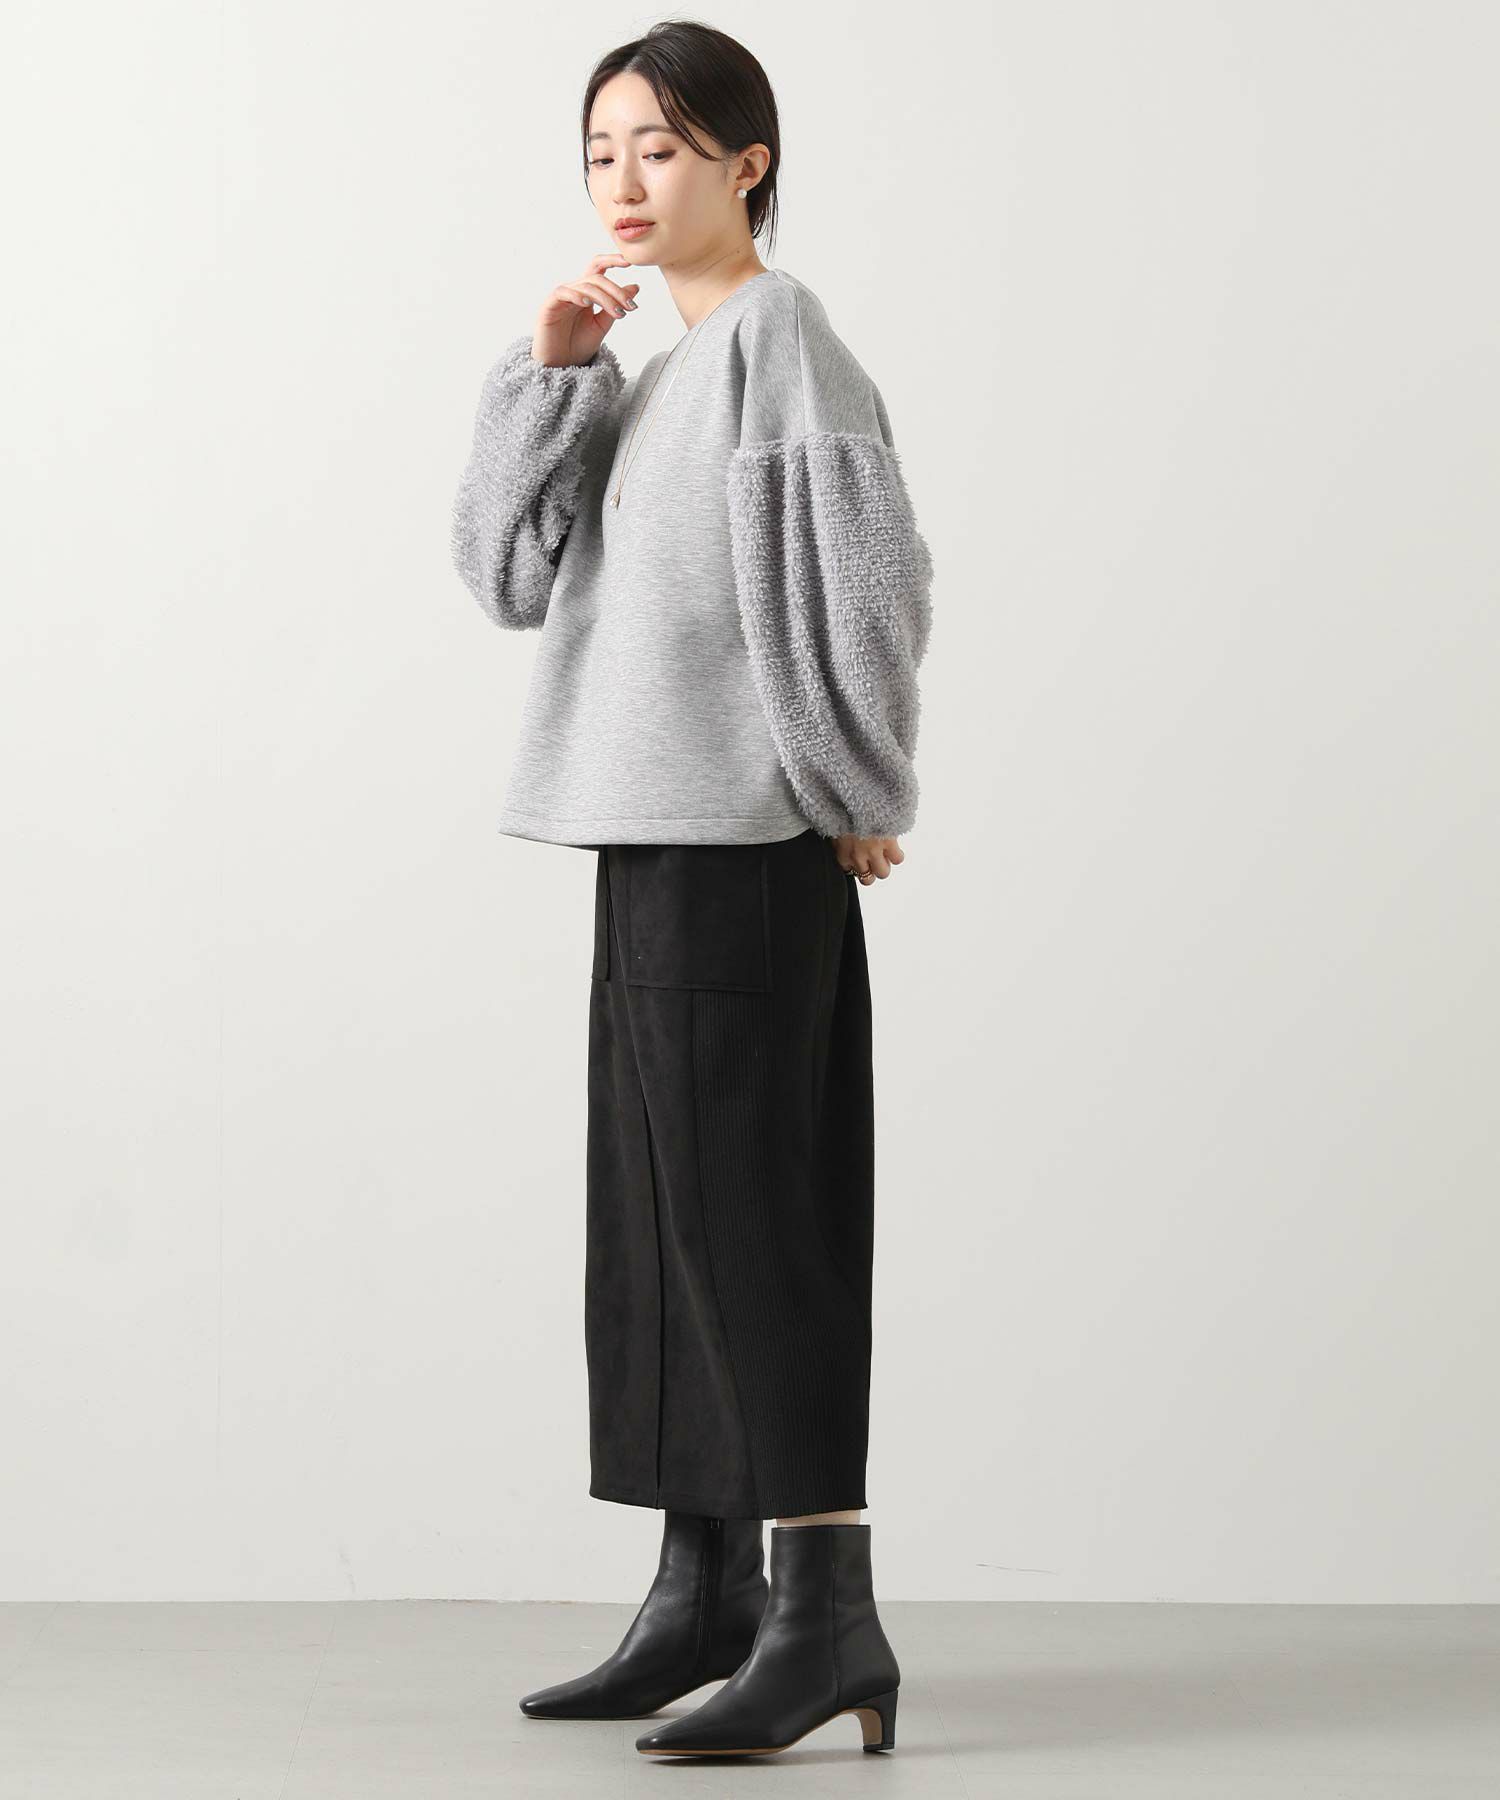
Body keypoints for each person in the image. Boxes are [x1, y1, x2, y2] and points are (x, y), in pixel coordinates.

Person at [449, 19, 932, 1761]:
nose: (625, 181)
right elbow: (508, 577)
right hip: (644, 832)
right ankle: (703, 1593)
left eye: (659, 146)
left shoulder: (779, 340)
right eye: (601, 152)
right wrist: (552, 375)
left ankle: (826, 1613)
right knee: (659, 1230)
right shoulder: (655, 371)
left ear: (748, 164)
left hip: (744, 848)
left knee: (752, 1226)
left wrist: (855, 788)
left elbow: (862, 580)